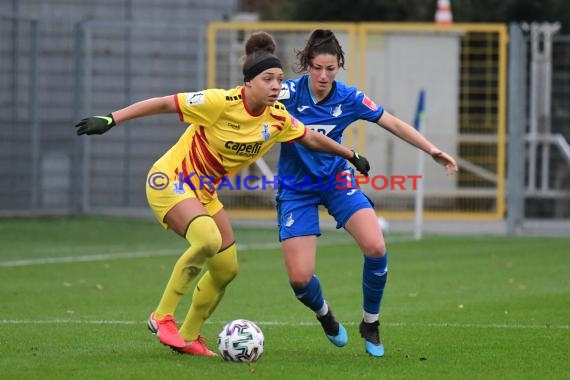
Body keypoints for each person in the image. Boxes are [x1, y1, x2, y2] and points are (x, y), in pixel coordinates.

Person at [74, 31, 371, 357]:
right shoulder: (219, 102)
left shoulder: (277, 118)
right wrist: (112, 118)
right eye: (268, 79)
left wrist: (350, 155)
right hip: (169, 180)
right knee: (208, 240)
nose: (276, 86)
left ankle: (189, 336)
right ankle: (162, 316)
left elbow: (311, 138)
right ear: (249, 83)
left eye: (279, 80)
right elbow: (163, 103)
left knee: (227, 268)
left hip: (203, 194)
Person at [276, 29, 458, 357]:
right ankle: (325, 315)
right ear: (306, 64)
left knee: (376, 246)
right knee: (300, 280)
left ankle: (370, 323)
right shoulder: (286, 93)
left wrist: (432, 150)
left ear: (340, 65)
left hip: (338, 183)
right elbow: (241, 104)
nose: (323, 75)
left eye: (330, 68)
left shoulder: (349, 97)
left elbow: (393, 123)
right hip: (295, 190)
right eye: (317, 67)